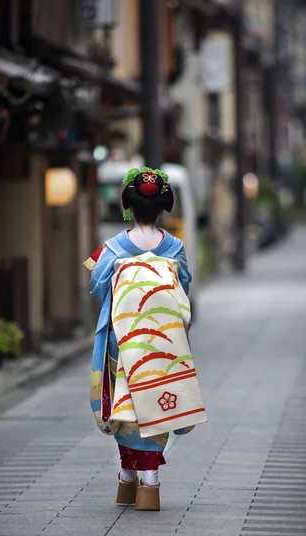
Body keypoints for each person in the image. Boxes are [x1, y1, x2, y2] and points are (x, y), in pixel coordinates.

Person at [84, 167, 206, 511]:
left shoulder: (113, 248)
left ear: (129, 206)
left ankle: (129, 474)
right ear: (163, 207)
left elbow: (97, 287)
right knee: (157, 399)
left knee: (125, 405)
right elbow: (183, 289)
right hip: (162, 340)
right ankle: (146, 479)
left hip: (120, 339)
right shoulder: (175, 247)